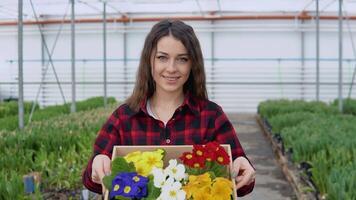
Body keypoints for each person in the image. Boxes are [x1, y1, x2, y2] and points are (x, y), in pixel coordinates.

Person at [82, 19, 255, 197]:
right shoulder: (124, 118)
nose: (171, 68)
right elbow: (90, 181)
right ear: (149, 61)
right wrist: (98, 162)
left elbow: (242, 184)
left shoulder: (211, 116)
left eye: (182, 59)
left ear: (193, 64)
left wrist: (242, 165)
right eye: (162, 57)